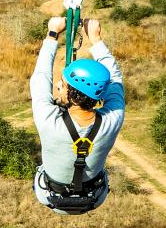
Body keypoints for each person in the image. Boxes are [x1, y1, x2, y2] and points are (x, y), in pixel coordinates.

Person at [29, 15, 125, 215]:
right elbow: (114, 80)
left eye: (62, 85)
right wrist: (96, 39)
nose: (58, 85)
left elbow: (41, 77)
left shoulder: (48, 120)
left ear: (71, 93)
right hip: (94, 198)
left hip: (49, 196)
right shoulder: (113, 118)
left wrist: (53, 33)